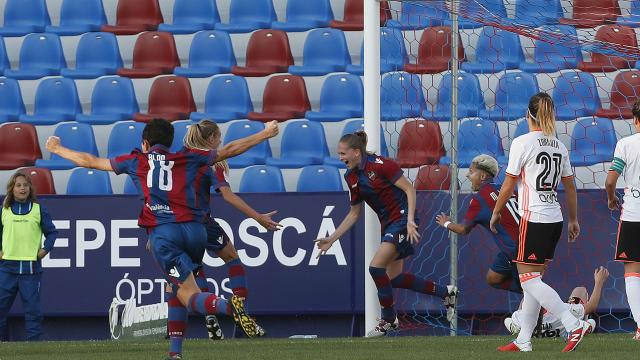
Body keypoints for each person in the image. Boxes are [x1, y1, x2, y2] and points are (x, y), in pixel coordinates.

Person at [46, 118, 278, 359]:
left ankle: (230, 308)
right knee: (177, 287)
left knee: (188, 295)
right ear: (170, 142)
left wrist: (57, 149)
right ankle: (174, 353)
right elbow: (229, 150)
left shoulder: (137, 160)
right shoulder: (187, 158)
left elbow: (90, 161)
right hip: (196, 230)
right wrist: (264, 133)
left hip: (164, 234)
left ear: (145, 143)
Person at [314, 131, 457, 338]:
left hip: (402, 221)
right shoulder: (351, 177)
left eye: (343, 153)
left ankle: (389, 320)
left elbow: (409, 189)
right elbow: (354, 213)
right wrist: (332, 238)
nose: (340, 158)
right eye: (339, 154)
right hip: (388, 224)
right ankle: (446, 292)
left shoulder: (381, 165)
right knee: (395, 278)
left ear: (356, 152)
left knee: (375, 268)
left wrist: (409, 220)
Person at [490, 93, 591, 353]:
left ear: (528, 115)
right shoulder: (559, 145)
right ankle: (524, 338)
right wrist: (574, 219)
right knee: (532, 281)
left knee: (528, 281)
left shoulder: (522, 143)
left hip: (534, 218)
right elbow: (570, 187)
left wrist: (497, 212)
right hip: (555, 219)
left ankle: (572, 323)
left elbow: (509, 182)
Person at [179, 119, 282, 340]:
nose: (221, 142)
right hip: (201, 221)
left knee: (195, 268)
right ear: (210, 140)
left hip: (177, 224)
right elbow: (226, 194)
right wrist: (258, 218)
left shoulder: (179, 155)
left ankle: (209, 317)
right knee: (232, 258)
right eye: (218, 138)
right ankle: (241, 311)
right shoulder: (210, 161)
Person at [435, 154, 521, 294]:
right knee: (493, 278)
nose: (468, 176)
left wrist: (446, 223)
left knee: (530, 288)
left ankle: (546, 309)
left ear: (482, 176)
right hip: (529, 241)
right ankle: (532, 305)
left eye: (471, 172)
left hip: (515, 251)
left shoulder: (480, 199)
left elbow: (463, 229)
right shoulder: (506, 190)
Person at [0, 171, 57, 341]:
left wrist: (45, 249)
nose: (22, 188)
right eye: (18, 185)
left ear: (30, 188)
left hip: (31, 271)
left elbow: (52, 233)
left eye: (25, 185)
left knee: (33, 313)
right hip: (7, 270)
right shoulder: (4, 210)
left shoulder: (38, 209)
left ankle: (34, 349)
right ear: (12, 189)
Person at [605, 99, 640, 341]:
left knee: (632, 272)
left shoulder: (625, 144)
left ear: (635, 119)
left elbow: (610, 180)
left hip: (633, 215)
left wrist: (610, 199)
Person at [506, 266, 608, 339]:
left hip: (528, 326)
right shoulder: (564, 310)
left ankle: (518, 329)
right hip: (562, 324)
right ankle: (581, 326)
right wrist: (599, 282)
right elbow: (591, 307)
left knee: (527, 295)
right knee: (580, 290)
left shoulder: (519, 316)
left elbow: (507, 320)